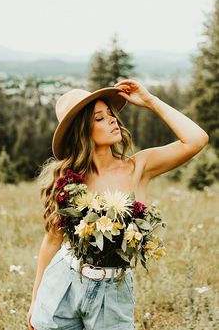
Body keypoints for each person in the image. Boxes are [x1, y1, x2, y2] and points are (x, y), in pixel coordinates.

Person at [27, 79, 209, 330]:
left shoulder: (139, 166)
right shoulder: (68, 180)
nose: (113, 120)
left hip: (113, 292)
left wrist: (150, 101)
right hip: (62, 284)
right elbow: (52, 240)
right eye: (100, 118)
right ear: (82, 130)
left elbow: (196, 140)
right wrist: (36, 297)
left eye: (111, 114)